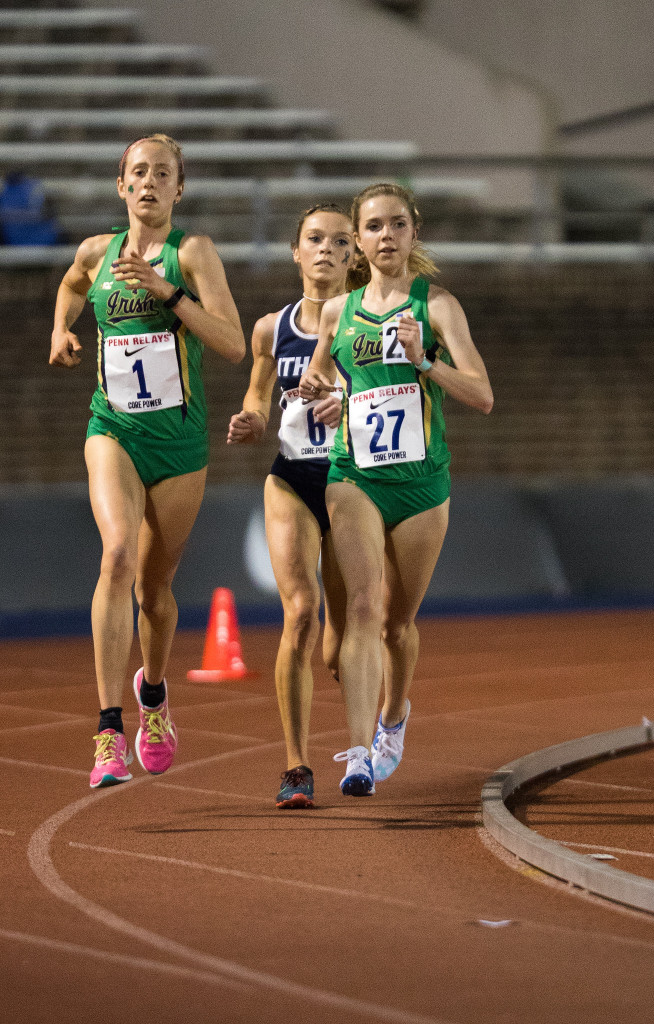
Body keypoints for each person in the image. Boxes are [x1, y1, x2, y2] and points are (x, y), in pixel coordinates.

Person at [49, 134, 245, 786]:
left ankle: (153, 695)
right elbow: (73, 284)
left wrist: (166, 291)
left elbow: (232, 345)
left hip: (179, 446)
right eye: (139, 172)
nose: (150, 182)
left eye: (164, 173)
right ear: (122, 185)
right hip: (114, 430)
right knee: (117, 556)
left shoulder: (192, 254)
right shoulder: (97, 251)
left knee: (155, 592)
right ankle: (109, 729)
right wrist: (61, 328)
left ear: (179, 189)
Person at [299, 182, 493, 795]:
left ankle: (394, 714)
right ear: (358, 240)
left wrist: (426, 362)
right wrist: (324, 397)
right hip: (354, 474)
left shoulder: (437, 307)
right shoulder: (338, 311)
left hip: (421, 483)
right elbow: (325, 378)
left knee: (396, 625)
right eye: (374, 227)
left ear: (414, 234)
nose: (386, 236)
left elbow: (483, 396)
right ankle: (358, 752)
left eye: (397, 225)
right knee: (359, 606)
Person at [226, 204, 352, 808]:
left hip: (353, 483)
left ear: (354, 256)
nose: (325, 249)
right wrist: (251, 419)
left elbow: (401, 400)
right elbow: (257, 394)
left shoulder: (370, 321)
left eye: (339, 241)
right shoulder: (270, 329)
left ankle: (372, 729)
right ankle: (296, 766)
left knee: (343, 642)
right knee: (301, 611)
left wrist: (347, 405)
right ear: (295, 252)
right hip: (292, 479)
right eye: (314, 239)